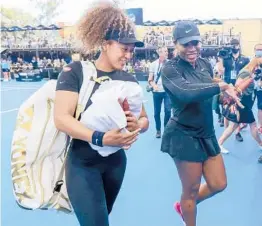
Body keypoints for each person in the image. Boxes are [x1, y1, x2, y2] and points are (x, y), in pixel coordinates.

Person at [54, 3, 149, 226]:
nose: (128, 55)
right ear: (106, 44)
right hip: (82, 162)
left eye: (131, 50)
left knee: (101, 217)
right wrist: (100, 137)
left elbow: (144, 120)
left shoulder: (129, 79)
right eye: (124, 48)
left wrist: (138, 125)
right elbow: (61, 118)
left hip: (116, 164)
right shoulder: (75, 72)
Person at [160, 21, 242, 226]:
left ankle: (185, 205)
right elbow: (187, 92)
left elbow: (207, 89)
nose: (191, 48)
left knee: (219, 183)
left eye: (195, 42)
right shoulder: (170, 69)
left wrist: (224, 98)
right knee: (191, 190)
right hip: (183, 135)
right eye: (185, 44)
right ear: (175, 44)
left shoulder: (204, 64)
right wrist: (221, 86)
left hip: (206, 132)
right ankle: (188, 212)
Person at [218, 57, 262, 153]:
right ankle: (260, 144)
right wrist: (236, 103)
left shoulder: (250, 73)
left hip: (245, 103)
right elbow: (237, 87)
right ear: (254, 64)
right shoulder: (245, 73)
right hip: (242, 104)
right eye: (258, 66)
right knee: (253, 125)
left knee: (233, 126)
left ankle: (219, 143)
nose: (258, 68)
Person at [222, 39, 250, 142]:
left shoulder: (245, 59)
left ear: (239, 45)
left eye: (236, 44)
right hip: (227, 85)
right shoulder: (226, 58)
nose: (234, 46)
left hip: (239, 87)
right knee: (226, 107)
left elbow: (248, 73)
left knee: (237, 108)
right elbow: (220, 70)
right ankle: (226, 129)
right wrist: (221, 58)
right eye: (232, 45)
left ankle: (237, 132)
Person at [148, 46, 171, 138]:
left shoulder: (171, 64)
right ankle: (158, 130)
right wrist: (154, 85)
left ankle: (166, 129)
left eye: (167, 51)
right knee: (156, 112)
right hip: (156, 92)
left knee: (168, 111)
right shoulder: (153, 64)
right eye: (164, 51)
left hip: (167, 92)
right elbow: (150, 79)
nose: (166, 53)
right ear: (159, 53)